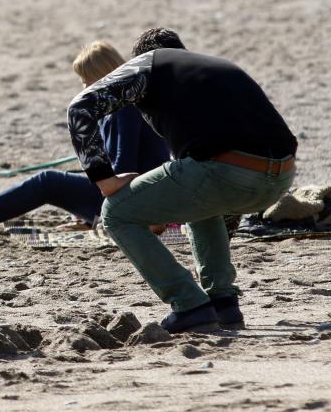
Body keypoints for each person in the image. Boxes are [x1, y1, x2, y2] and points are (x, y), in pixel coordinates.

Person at [67, 28, 298, 334]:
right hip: (280, 178)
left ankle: (189, 304)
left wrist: (104, 181)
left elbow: (79, 110)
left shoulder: (147, 65)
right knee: (202, 202)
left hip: (227, 173)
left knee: (115, 213)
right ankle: (223, 303)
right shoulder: (210, 70)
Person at [0, 40, 169, 233]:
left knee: (48, 181)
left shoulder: (123, 109)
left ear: (102, 77)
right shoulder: (126, 103)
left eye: (86, 82)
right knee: (61, 179)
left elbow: (122, 170)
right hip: (142, 194)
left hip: (140, 201)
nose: (84, 89)